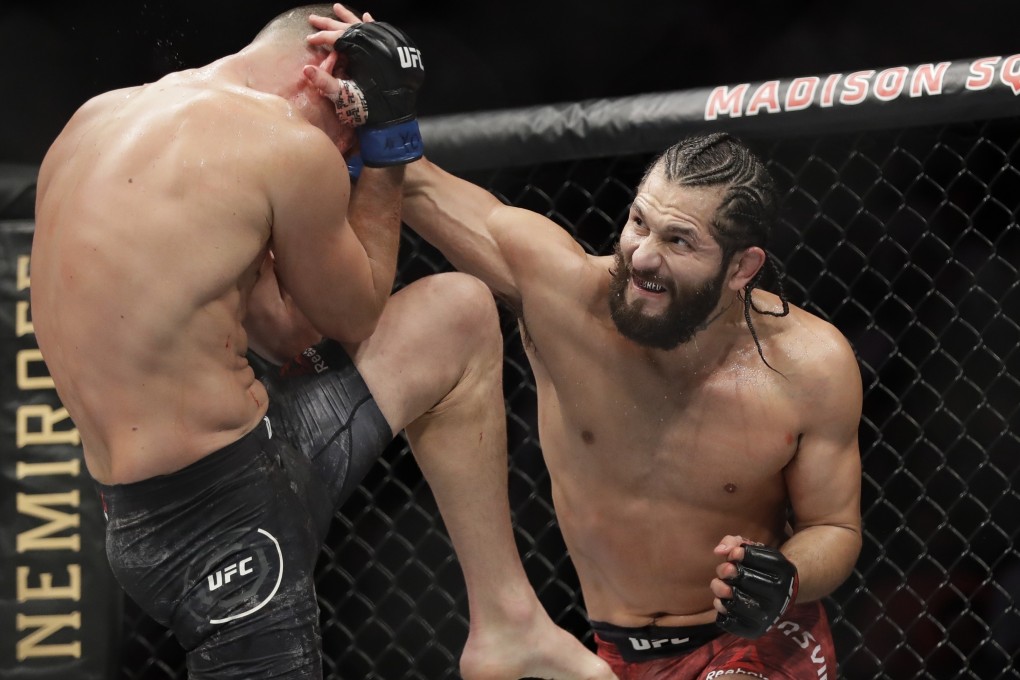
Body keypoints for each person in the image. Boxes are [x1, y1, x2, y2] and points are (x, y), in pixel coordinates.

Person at [31, 4, 617, 679]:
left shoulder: (95, 120)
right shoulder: (284, 144)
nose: (346, 155)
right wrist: (389, 140)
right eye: (351, 136)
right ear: (327, 73)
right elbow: (357, 314)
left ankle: (509, 624)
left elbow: (286, 332)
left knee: (457, 312)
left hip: (135, 516)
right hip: (229, 523)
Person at [304, 14, 865, 674]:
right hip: (613, 648)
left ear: (741, 269)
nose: (644, 255)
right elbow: (416, 179)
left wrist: (785, 577)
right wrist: (378, 96)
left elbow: (836, 529)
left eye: (679, 241)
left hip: (754, 641)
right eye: (638, 222)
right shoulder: (564, 297)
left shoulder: (810, 365)